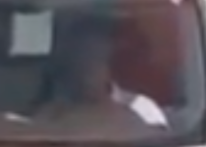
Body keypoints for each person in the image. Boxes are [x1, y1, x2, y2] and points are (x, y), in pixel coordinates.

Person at [39, 23, 167, 127]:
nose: (88, 68)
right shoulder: (52, 114)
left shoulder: (141, 109)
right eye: (81, 59)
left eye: (96, 58)